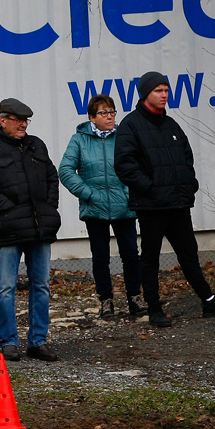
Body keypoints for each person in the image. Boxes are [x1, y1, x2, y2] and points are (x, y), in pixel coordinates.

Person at [114, 71, 215, 327]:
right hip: (152, 206)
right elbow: (125, 166)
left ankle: (209, 301)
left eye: (166, 90)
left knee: (189, 254)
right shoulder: (131, 125)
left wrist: (189, 185)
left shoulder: (171, 124)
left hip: (178, 203)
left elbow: (186, 158)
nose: (164, 95)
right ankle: (154, 308)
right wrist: (151, 189)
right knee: (150, 258)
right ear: (145, 94)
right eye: (158, 91)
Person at [0, 98, 61, 362]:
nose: (23, 124)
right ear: (3, 121)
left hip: (39, 229)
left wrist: (49, 209)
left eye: (26, 120)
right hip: (9, 230)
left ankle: (38, 342)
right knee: (6, 287)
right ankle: (9, 342)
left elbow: (51, 178)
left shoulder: (37, 145)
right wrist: (10, 211)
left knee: (42, 286)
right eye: (17, 119)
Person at [59, 95, 145, 318]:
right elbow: (66, 170)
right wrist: (88, 194)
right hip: (94, 208)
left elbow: (138, 166)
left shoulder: (124, 137)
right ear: (91, 117)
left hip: (124, 206)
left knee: (130, 255)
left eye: (112, 112)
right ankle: (106, 301)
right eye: (104, 113)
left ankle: (135, 298)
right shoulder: (79, 140)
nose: (110, 117)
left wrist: (128, 193)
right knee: (100, 257)